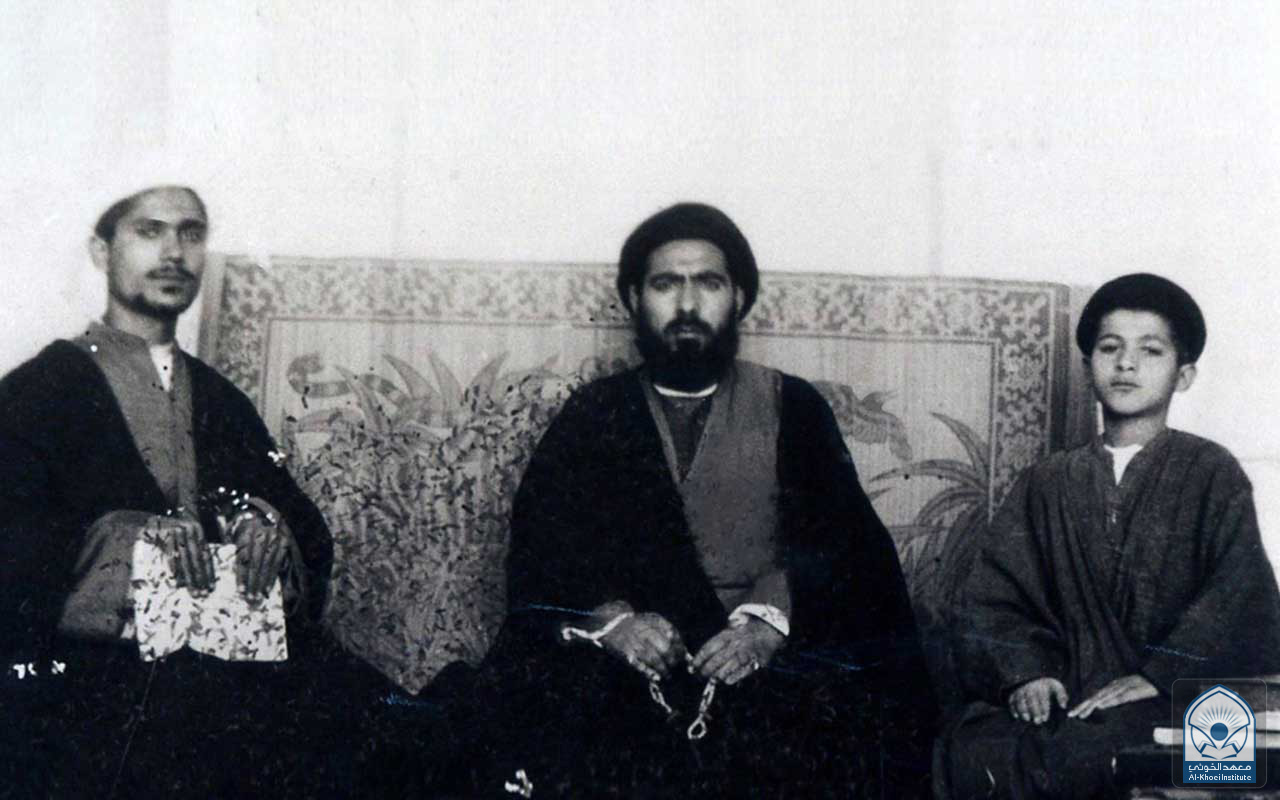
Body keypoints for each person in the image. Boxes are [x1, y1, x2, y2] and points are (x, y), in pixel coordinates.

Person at [443, 202, 935, 797]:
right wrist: (614, 624)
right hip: (632, 666)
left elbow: (845, 552)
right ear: (633, 299)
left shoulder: (794, 406)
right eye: (665, 284)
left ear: (740, 298)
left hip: (765, 658)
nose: (687, 304)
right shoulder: (595, 414)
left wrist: (767, 627)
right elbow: (543, 558)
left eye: (708, 283)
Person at [0, 184, 427, 798]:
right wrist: (123, 540)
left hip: (232, 668)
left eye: (191, 233)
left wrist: (261, 525)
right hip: (95, 679)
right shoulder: (37, 392)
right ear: (101, 251)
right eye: (149, 230)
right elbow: (13, 543)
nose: (174, 252)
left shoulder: (222, 399)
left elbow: (305, 531)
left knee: (408, 738)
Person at [937, 273, 1280, 799]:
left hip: (1176, 695)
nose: (1126, 364)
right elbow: (993, 600)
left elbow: (1238, 594)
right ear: (1086, 366)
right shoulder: (1046, 482)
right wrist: (1027, 675)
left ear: (1184, 375)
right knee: (973, 750)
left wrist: (1159, 675)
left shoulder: (1212, 472)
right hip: (1066, 693)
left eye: (1151, 350)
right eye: (1110, 347)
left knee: (1137, 757)